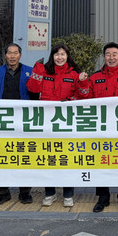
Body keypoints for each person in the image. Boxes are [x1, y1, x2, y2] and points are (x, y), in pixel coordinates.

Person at [77, 42, 118, 214]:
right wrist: (83, 83)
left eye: (115, 54)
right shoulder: (95, 77)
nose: (111, 57)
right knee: (101, 162)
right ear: (104, 57)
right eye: (108, 54)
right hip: (101, 128)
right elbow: (85, 97)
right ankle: (103, 197)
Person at [27, 42, 88, 207]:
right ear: (52, 56)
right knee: (49, 158)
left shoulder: (74, 74)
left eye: (62, 54)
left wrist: (82, 82)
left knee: (67, 158)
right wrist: (38, 69)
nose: (59, 57)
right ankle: (50, 193)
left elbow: (83, 96)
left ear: (67, 56)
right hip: (47, 122)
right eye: (56, 54)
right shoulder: (44, 71)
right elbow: (33, 89)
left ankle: (68, 194)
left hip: (66, 121)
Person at [0, 43, 33, 206]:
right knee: (1, 156)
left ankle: (25, 192)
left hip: (23, 120)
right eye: (9, 53)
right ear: (5, 55)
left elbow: (35, 96)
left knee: (23, 155)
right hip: (2, 120)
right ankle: (2, 192)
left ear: (20, 55)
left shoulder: (30, 71)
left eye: (15, 53)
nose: (12, 56)